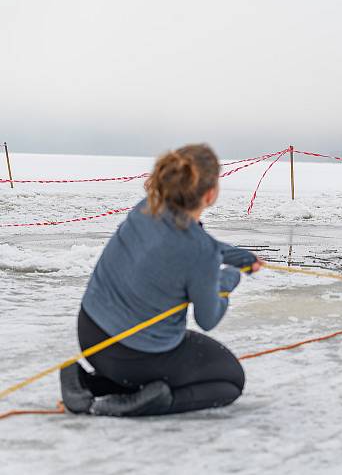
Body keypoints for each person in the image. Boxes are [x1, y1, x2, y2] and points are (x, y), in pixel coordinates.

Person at [60, 144, 262, 417]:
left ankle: (87, 381)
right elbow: (208, 319)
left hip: (91, 337)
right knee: (229, 380)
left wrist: (237, 256)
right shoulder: (202, 253)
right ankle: (153, 401)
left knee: (178, 356)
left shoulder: (145, 208)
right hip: (135, 357)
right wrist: (228, 280)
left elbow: (196, 243)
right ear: (210, 194)